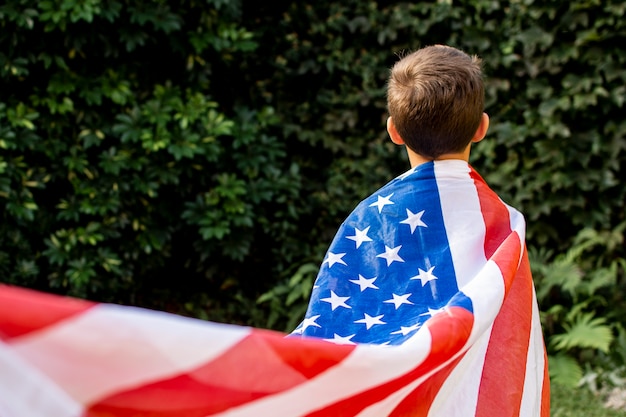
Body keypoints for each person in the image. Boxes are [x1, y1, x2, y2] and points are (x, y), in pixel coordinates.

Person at [290, 44, 550, 415]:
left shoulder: (369, 219)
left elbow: (334, 326)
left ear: (393, 131)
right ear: (482, 128)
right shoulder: (505, 226)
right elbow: (511, 341)